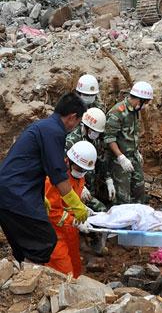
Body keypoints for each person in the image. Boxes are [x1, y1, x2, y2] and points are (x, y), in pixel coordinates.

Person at [0, 93, 89, 264]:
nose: (76, 126)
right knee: (45, 240)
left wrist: (40, 199)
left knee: (23, 242)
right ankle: (30, 279)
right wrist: (76, 204)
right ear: (72, 117)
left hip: (9, 189)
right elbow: (58, 174)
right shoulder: (54, 132)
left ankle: (21, 275)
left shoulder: (43, 126)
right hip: (16, 192)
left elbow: (35, 167)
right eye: (78, 122)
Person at [45, 141, 97, 278]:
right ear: (69, 161)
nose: (82, 173)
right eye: (80, 169)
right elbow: (52, 211)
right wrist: (74, 221)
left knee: (76, 268)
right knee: (63, 273)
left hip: (70, 232)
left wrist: (83, 207)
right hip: (54, 234)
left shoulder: (78, 174)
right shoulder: (54, 179)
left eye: (84, 170)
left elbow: (71, 199)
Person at [104, 81, 153, 204]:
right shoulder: (117, 112)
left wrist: (137, 152)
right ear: (139, 100)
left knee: (139, 189)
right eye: (145, 103)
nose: (145, 106)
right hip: (119, 160)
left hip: (133, 156)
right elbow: (109, 138)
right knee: (123, 197)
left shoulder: (135, 111)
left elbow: (133, 135)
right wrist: (121, 157)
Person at [66, 107, 112, 212]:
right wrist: (80, 188)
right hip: (73, 188)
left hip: (89, 187)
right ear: (85, 127)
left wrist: (108, 180)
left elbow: (101, 161)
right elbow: (63, 169)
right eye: (94, 131)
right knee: (101, 210)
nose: (96, 134)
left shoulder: (94, 140)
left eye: (98, 132)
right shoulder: (71, 142)